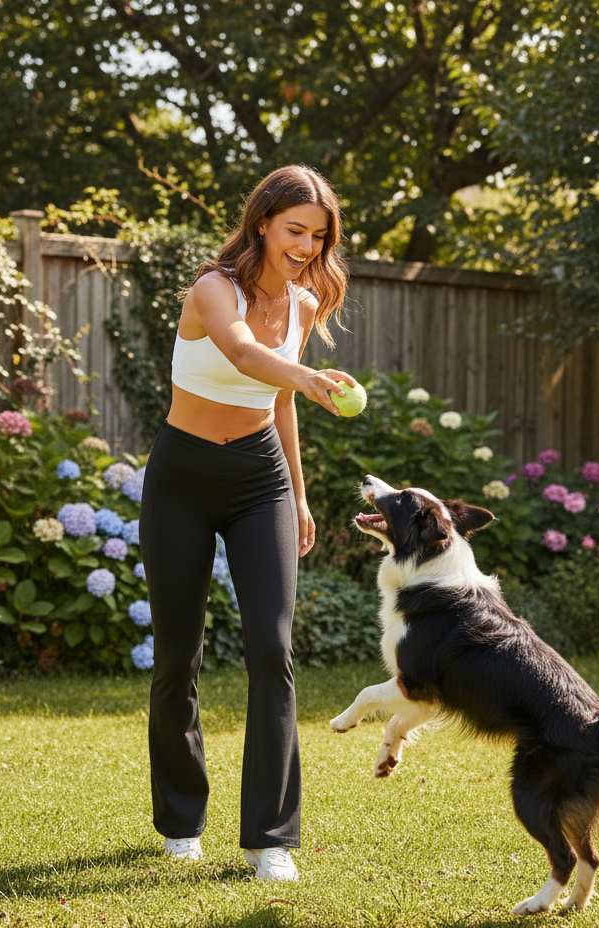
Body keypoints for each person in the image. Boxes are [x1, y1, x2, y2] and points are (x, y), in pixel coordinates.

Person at [139, 165, 355, 882]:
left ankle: (270, 838)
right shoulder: (212, 289)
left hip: (259, 477)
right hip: (183, 479)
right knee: (178, 656)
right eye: (295, 230)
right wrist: (309, 378)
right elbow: (240, 353)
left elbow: (279, 397)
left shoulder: (300, 304)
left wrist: (296, 493)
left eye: (317, 236)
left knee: (272, 647)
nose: (305, 246)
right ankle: (180, 819)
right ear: (262, 221)